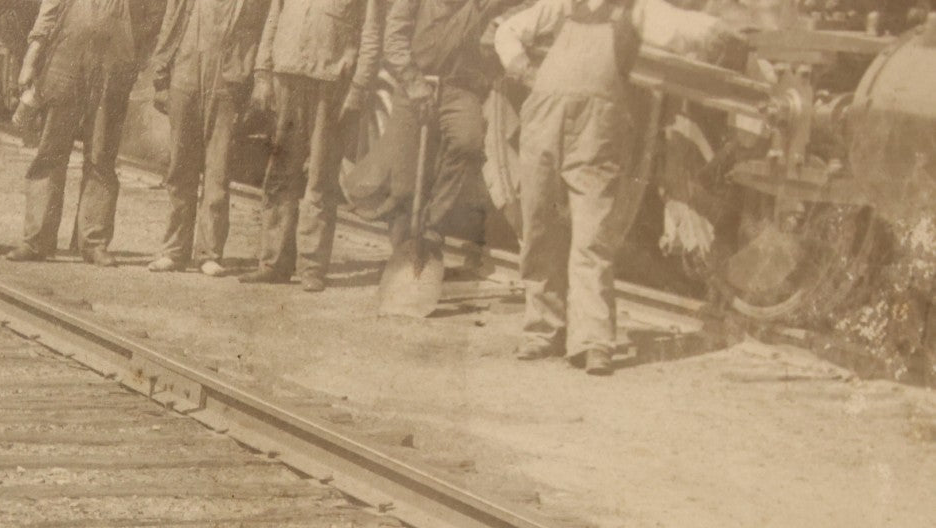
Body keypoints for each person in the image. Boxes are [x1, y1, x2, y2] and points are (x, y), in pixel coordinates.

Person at [495, 0, 738, 373]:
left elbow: (683, 30)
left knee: (593, 237)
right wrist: (527, 72)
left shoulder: (635, 10)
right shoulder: (561, 5)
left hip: (597, 134)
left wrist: (725, 31)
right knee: (539, 228)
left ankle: (592, 341)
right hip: (543, 124)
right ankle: (542, 330)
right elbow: (507, 32)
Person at [239, 0, 385, 293]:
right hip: (287, 74)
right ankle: (273, 263)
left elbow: (371, 34)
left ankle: (312, 267)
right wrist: (262, 73)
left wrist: (358, 87)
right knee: (279, 173)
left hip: (330, 83)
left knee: (320, 177)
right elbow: (273, 17)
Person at [8, 0, 167, 266]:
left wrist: (134, 56)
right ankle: (36, 240)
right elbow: (50, 8)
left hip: (115, 63)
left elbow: (155, 15)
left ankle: (93, 242)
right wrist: (31, 57)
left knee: (102, 154)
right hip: (65, 57)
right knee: (50, 151)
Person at [383, 0, 517, 273]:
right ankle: (403, 260)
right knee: (404, 188)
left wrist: (503, 22)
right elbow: (394, 40)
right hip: (413, 84)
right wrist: (412, 82)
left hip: (460, 87)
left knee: (468, 143)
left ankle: (432, 230)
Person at [144, 0, 271, 276]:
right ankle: (174, 250)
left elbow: (263, 31)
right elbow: (170, 21)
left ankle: (209, 253)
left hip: (227, 80)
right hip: (185, 73)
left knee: (218, 169)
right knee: (180, 168)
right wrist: (161, 75)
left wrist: (255, 80)